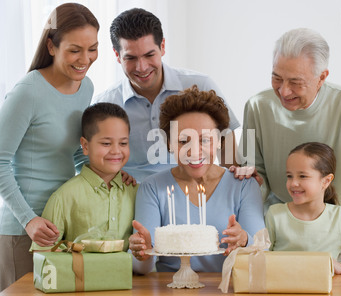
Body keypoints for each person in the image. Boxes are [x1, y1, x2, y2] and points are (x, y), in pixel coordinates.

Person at [238, 28, 341, 277]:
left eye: (296, 82)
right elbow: (253, 177)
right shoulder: (257, 107)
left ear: (321, 77)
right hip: (281, 238)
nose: (283, 91)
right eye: (276, 78)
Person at [0, 3, 99, 291]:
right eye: (74, 50)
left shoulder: (86, 87)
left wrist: (108, 178)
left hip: (62, 225)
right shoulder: (27, 92)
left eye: (92, 48)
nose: (85, 59)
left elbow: (76, 153)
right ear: (52, 47)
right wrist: (29, 220)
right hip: (23, 230)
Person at [92, 8, 240, 183]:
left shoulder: (201, 86)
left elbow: (228, 147)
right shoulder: (106, 103)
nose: (142, 67)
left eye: (149, 55)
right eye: (131, 58)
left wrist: (230, 186)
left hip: (192, 190)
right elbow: (94, 163)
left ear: (162, 47)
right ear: (117, 56)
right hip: (132, 196)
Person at [130, 86, 264, 274]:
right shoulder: (152, 188)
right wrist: (142, 253)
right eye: (183, 141)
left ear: (219, 141)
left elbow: (262, 251)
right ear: (169, 143)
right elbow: (141, 269)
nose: (194, 152)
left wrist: (244, 239)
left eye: (205, 140)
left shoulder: (243, 185)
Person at [31, 103, 138, 252]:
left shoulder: (137, 192)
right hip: (79, 275)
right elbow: (44, 255)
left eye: (123, 143)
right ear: (85, 146)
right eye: (106, 143)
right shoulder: (63, 197)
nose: (116, 151)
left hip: (130, 275)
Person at [266, 142, 341, 274]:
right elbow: (260, 257)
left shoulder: (339, 218)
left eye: (302, 176)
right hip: (281, 291)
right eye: (289, 176)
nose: (293, 183)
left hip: (325, 293)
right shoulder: (275, 214)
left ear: (326, 181)